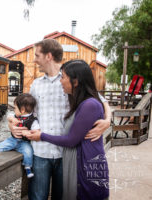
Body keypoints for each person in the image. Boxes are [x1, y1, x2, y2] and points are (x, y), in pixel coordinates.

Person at [8, 38, 111, 200]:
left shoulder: (70, 78)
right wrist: (12, 122)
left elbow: (101, 101)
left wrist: (108, 120)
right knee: (37, 197)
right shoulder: (36, 85)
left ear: (48, 56)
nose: (34, 60)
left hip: (67, 155)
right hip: (41, 152)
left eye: (37, 56)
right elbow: (26, 112)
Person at [0, 93, 40, 178]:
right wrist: (12, 119)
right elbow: (9, 116)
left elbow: (37, 131)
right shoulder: (15, 116)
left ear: (22, 110)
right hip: (12, 140)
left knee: (28, 152)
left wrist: (28, 133)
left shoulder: (33, 121)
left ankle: (27, 168)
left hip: (24, 142)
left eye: (15, 108)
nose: (14, 110)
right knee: (1, 146)